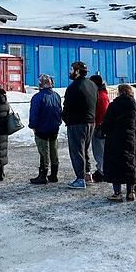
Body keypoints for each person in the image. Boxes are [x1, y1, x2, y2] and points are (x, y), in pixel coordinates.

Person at [99, 84, 136, 202]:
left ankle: (117, 193)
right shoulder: (134, 106)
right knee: (130, 163)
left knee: (115, 164)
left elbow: (107, 123)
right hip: (129, 138)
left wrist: (104, 131)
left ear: (120, 92)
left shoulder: (114, 105)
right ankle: (131, 192)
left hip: (114, 139)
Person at [62, 61, 97, 189]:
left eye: (72, 69)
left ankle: (80, 178)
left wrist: (65, 118)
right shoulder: (92, 84)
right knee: (85, 149)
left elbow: (67, 107)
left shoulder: (73, 87)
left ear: (77, 71)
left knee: (77, 150)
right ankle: (87, 174)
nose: (70, 72)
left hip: (76, 123)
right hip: (90, 122)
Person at [28, 74, 62, 184]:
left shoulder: (37, 97)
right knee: (54, 151)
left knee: (44, 152)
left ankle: (43, 175)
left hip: (42, 129)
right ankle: (54, 175)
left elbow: (34, 114)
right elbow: (59, 111)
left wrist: (33, 126)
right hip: (54, 127)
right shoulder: (56, 95)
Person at [89, 75, 110, 183]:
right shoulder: (102, 94)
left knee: (99, 150)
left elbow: (101, 112)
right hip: (100, 126)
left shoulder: (100, 96)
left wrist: (97, 124)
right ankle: (101, 170)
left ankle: (101, 171)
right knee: (99, 150)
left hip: (99, 127)